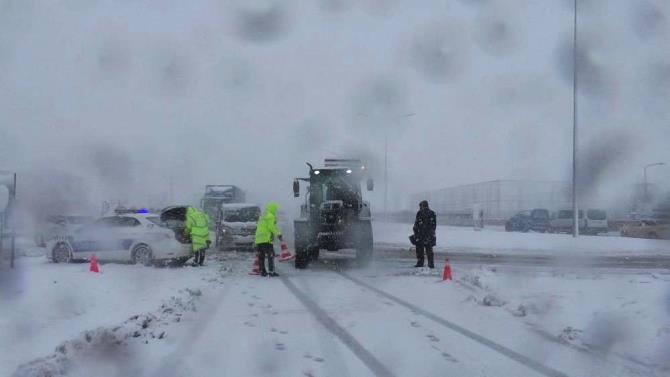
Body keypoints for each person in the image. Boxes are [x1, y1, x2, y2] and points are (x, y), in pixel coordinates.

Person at [254, 201, 283, 277]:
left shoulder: (262, 216)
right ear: (273, 209)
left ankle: (263, 271)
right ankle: (271, 271)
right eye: (275, 210)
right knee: (271, 255)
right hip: (266, 239)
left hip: (258, 239)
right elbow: (271, 227)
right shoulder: (270, 216)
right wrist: (278, 234)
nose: (275, 212)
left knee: (261, 256)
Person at [413, 200, 436, 269]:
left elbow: (416, 224)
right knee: (429, 250)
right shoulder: (432, 213)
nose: (420, 207)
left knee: (420, 250)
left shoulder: (420, 213)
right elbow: (434, 225)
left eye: (420, 206)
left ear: (422, 206)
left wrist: (416, 232)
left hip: (421, 234)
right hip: (428, 234)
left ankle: (420, 263)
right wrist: (431, 233)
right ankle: (430, 264)